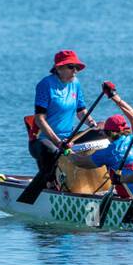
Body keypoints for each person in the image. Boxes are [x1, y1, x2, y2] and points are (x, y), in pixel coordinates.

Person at [30, 50, 104, 187]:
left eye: (76, 67)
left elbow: (81, 110)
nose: (75, 70)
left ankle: (100, 181)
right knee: (53, 151)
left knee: (103, 136)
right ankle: (51, 182)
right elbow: (39, 119)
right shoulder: (45, 85)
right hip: (43, 140)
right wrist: (58, 142)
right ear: (58, 68)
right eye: (71, 67)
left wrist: (92, 124)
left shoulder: (75, 83)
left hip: (69, 139)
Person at [67, 90, 133, 196]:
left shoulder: (110, 151)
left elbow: (80, 162)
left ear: (108, 133)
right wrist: (115, 97)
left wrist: (67, 151)